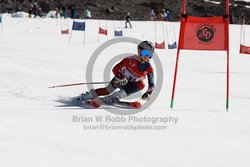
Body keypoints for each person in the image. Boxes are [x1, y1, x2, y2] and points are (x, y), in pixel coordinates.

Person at [72, 41, 156, 105]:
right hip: (119, 80)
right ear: (139, 51)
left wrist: (148, 93)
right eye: (145, 53)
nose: (147, 57)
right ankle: (85, 96)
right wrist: (121, 77)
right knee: (107, 91)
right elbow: (115, 69)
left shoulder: (149, 68)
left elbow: (151, 84)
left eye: (150, 54)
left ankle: (115, 97)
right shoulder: (130, 60)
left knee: (141, 84)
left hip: (131, 85)